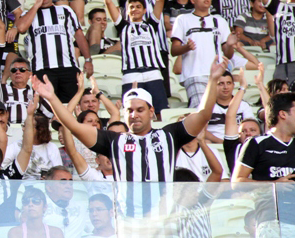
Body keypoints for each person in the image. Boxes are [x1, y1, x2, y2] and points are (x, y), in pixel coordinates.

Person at [33, 58, 226, 217]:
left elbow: (202, 115)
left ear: (152, 111)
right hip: (129, 223)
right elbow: (74, 125)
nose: (134, 114)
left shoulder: (169, 135)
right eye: (130, 110)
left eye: (140, 110)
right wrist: (52, 98)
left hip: (164, 222)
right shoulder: (114, 140)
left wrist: (212, 80)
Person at [234, 92, 295, 236]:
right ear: (283, 114)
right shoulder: (256, 143)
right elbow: (237, 182)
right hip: (273, 220)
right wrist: (274, 185)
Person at [102, 0, 171, 115]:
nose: (134, 9)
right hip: (131, 75)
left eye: (138, 7)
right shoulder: (123, 26)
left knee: (160, 113)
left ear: (145, 10)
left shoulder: (151, 24)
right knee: (131, 113)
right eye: (131, 7)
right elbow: (109, 3)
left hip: (153, 72)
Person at [16, 0, 92, 103]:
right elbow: (21, 28)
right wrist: (36, 5)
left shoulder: (65, 10)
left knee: (71, 108)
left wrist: (88, 59)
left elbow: (79, 35)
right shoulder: (28, 14)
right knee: (46, 109)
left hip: (68, 68)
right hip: (42, 69)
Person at [171, 0, 237, 108]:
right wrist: (187, 47)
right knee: (201, 110)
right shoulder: (183, 19)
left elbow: (228, 54)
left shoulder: (220, 21)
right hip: (194, 74)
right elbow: (173, 50)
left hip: (218, 75)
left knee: (219, 112)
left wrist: (230, 45)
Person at [205, 70, 255, 143]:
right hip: (213, 143)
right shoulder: (207, 105)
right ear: (214, 86)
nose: (225, 87)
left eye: (228, 83)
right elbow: (201, 130)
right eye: (221, 84)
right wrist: (222, 143)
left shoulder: (243, 105)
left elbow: (251, 127)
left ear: (233, 85)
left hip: (238, 144)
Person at [3, 57, 38, 123]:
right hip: (7, 129)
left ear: (30, 74)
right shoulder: (1, 90)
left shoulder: (36, 93)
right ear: (10, 74)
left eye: (22, 70)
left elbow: (50, 112)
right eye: (14, 70)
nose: (18, 72)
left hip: (29, 129)